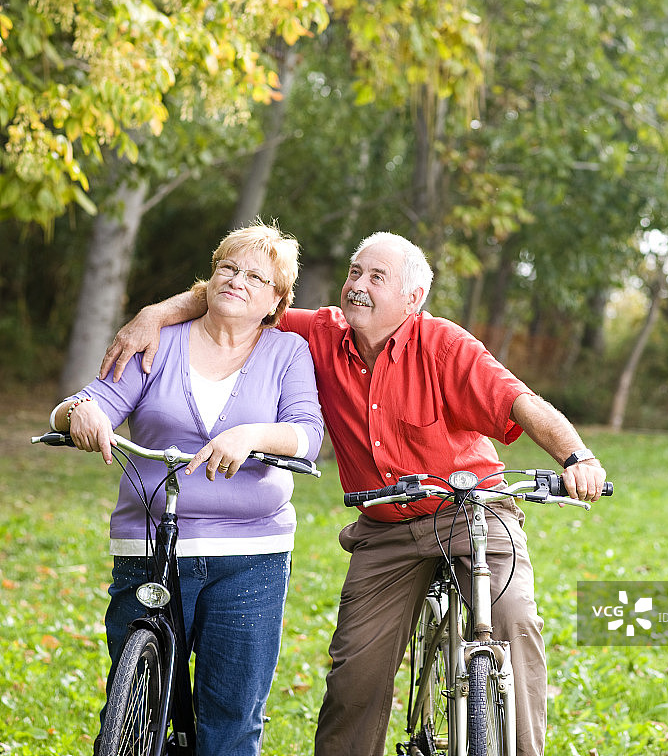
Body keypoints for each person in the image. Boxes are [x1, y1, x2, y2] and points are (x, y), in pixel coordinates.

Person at [100, 231, 607, 756]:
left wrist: (577, 458)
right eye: (355, 273)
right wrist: (153, 315)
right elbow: (239, 298)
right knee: (355, 676)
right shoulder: (318, 334)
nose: (357, 286)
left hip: (472, 514)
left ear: (413, 299)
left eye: (376, 277)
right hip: (384, 526)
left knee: (513, 622)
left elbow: (518, 401)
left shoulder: (445, 346)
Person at [51, 221, 324, 756]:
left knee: (230, 719)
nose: (236, 280)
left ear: (276, 300)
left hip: (249, 554)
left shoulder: (287, 352)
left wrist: (250, 435)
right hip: (151, 546)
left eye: (254, 276)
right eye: (227, 267)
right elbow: (86, 402)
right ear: (210, 276)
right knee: (133, 712)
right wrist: (79, 414)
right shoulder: (158, 342)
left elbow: (307, 435)